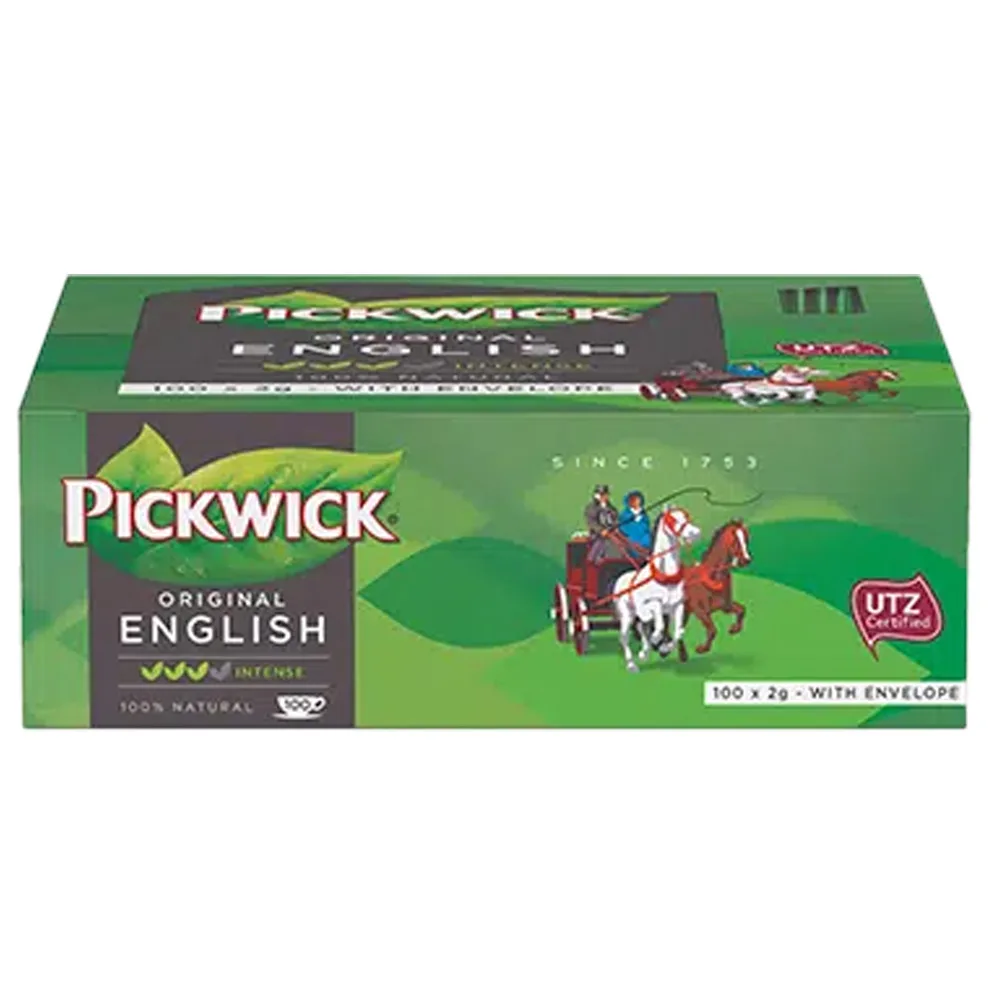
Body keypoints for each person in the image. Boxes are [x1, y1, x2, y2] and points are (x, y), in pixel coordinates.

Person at [584, 485, 619, 562]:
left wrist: (615, 528)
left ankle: (615, 560)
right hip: (597, 534)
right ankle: (597, 560)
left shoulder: (611, 508)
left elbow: (615, 519)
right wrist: (601, 530)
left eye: (605, 494)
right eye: (601, 494)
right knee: (602, 542)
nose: (603, 497)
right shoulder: (591, 508)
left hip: (611, 533)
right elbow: (592, 522)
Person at [618, 490, 651, 555]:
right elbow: (623, 527)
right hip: (631, 539)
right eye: (634, 500)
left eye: (638, 499)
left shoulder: (643, 514)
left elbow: (646, 524)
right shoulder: (625, 514)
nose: (637, 502)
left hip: (644, 538)